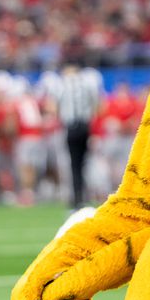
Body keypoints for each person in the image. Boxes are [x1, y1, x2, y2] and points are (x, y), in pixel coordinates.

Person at [56, 64, 101, 209]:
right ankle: (86, 196)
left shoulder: (62, 85)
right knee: (84, 164)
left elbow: (53, 106)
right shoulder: (86, 85)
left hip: (71, 127)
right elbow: (97, 105)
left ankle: (76, 198)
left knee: (74, 165)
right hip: (84, 127)